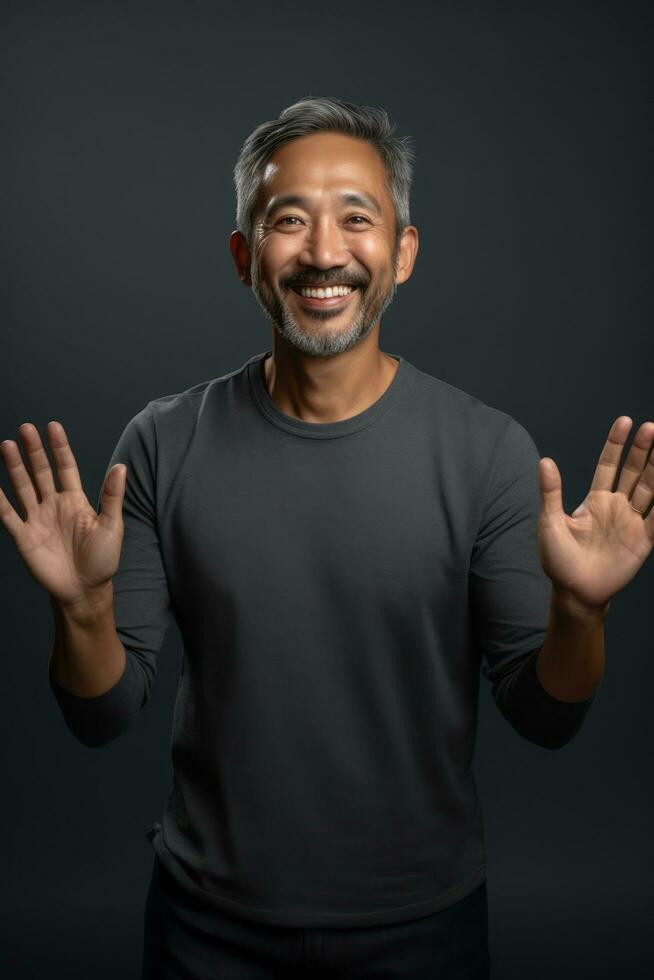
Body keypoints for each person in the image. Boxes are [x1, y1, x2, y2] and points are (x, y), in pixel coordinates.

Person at [1, 96, 652, 980]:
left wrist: (581, 612)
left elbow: (545, 717)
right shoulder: (160, 444)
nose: (323, 252)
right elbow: (101, 715)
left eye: (357, 217)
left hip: (424, 928)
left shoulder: (487, 451)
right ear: (244, 257)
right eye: (287, 221)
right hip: (206, 928)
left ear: (404, 253)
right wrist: (80, 610)